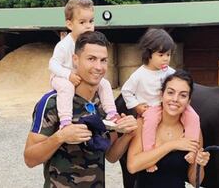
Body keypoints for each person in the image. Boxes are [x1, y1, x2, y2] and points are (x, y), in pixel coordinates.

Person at [24, 31, 138, 187]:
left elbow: (111, 156)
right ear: (75, 60)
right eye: (91, 59)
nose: (98, 67)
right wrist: (60, 137)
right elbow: (30, 159)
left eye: (103, 60)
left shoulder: (105, 104)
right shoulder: (52, 103)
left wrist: (128, 134)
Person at [121, 28, 201, 172]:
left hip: (169, 105)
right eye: (161, 54)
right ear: (149, 54)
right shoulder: (139, 74)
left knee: (194, 117)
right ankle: (149, 156)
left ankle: (192, 150)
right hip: (152, 108)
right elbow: (126, 91)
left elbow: (179, 84)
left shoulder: (169, 72)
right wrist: (136, 106)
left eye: (168, 55)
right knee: (149, 124)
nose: (165, 58)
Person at [127, 70, 210, 188]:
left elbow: (195, 181)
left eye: (183, 95)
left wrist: (199, 164)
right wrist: (172, 145)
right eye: (170, 92)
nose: (175, 99)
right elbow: (133, 166)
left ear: (189, 101)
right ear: (162, 95)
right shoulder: (144, 123)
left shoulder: (193, 130)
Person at [49, 0, 118, 129]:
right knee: (67, 88)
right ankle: (65, 120)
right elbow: (53, 64)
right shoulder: (64, 45)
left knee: (104, 83)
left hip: (79, 77)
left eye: (91, 21)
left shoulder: (91, 43)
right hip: (61, 77)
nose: (88, 26)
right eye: (82, 22)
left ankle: (111, 112)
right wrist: (68, 75)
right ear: (69, 24)